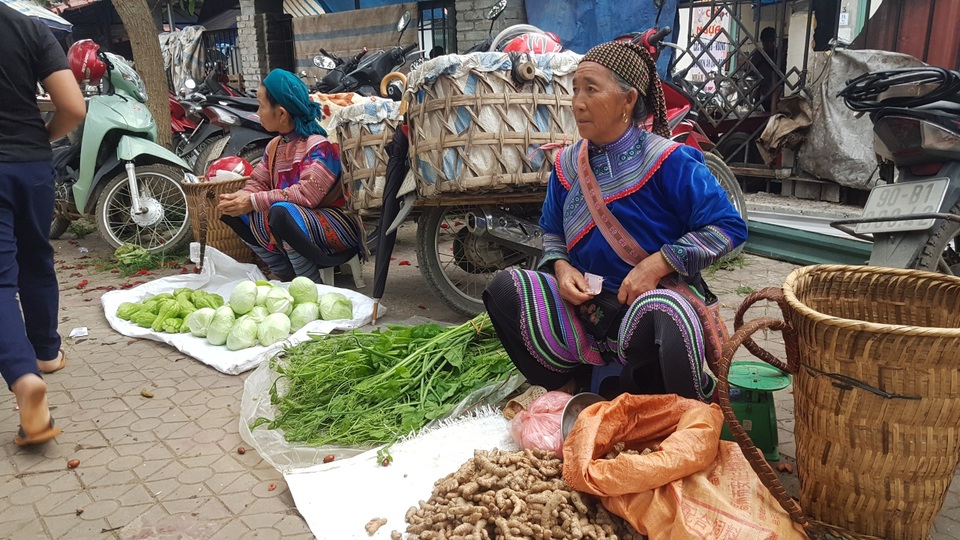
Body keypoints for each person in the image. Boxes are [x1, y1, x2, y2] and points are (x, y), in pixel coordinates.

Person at [483, 40, 747, 401]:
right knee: (506, 287)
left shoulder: (670, 161)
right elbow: (552, 233)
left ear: (628, 100)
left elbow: (728, 227)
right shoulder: (566, 165)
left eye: (591, 89)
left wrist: (658, 264)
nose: (578, 102)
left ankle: (683, 419)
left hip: (647, 310)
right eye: (575, 89)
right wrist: (561, 268)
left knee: (667, 312)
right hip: (586, 311)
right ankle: (568, 392)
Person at [0, 6, 85, 445]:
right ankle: (47, 353)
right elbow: (73, 106)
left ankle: (22, 376)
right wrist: (41, 137)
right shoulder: (27, 27)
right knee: (37, 256)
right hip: (30, 165)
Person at [218, 69, 361, 283]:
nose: (258, 112)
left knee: (281, 213)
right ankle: (285, 274)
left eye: (261, 106)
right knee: (234, 211)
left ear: (282, 114)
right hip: (296, 224)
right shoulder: (274, 146)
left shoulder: (320, 146)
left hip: (337, 228)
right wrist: (241, 198)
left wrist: (253, 200)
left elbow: (307, 195)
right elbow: (259, 182)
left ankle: (310, 283)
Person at [747, 27, 784, 112]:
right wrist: (760, 86)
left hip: (776, 96)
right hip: (758, 97)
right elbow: (751, 76)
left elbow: (783, 76)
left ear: (774, 41)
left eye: (769, 42)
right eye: (765, 42)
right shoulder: (757, 55)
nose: (767, 45)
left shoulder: (779, 56)